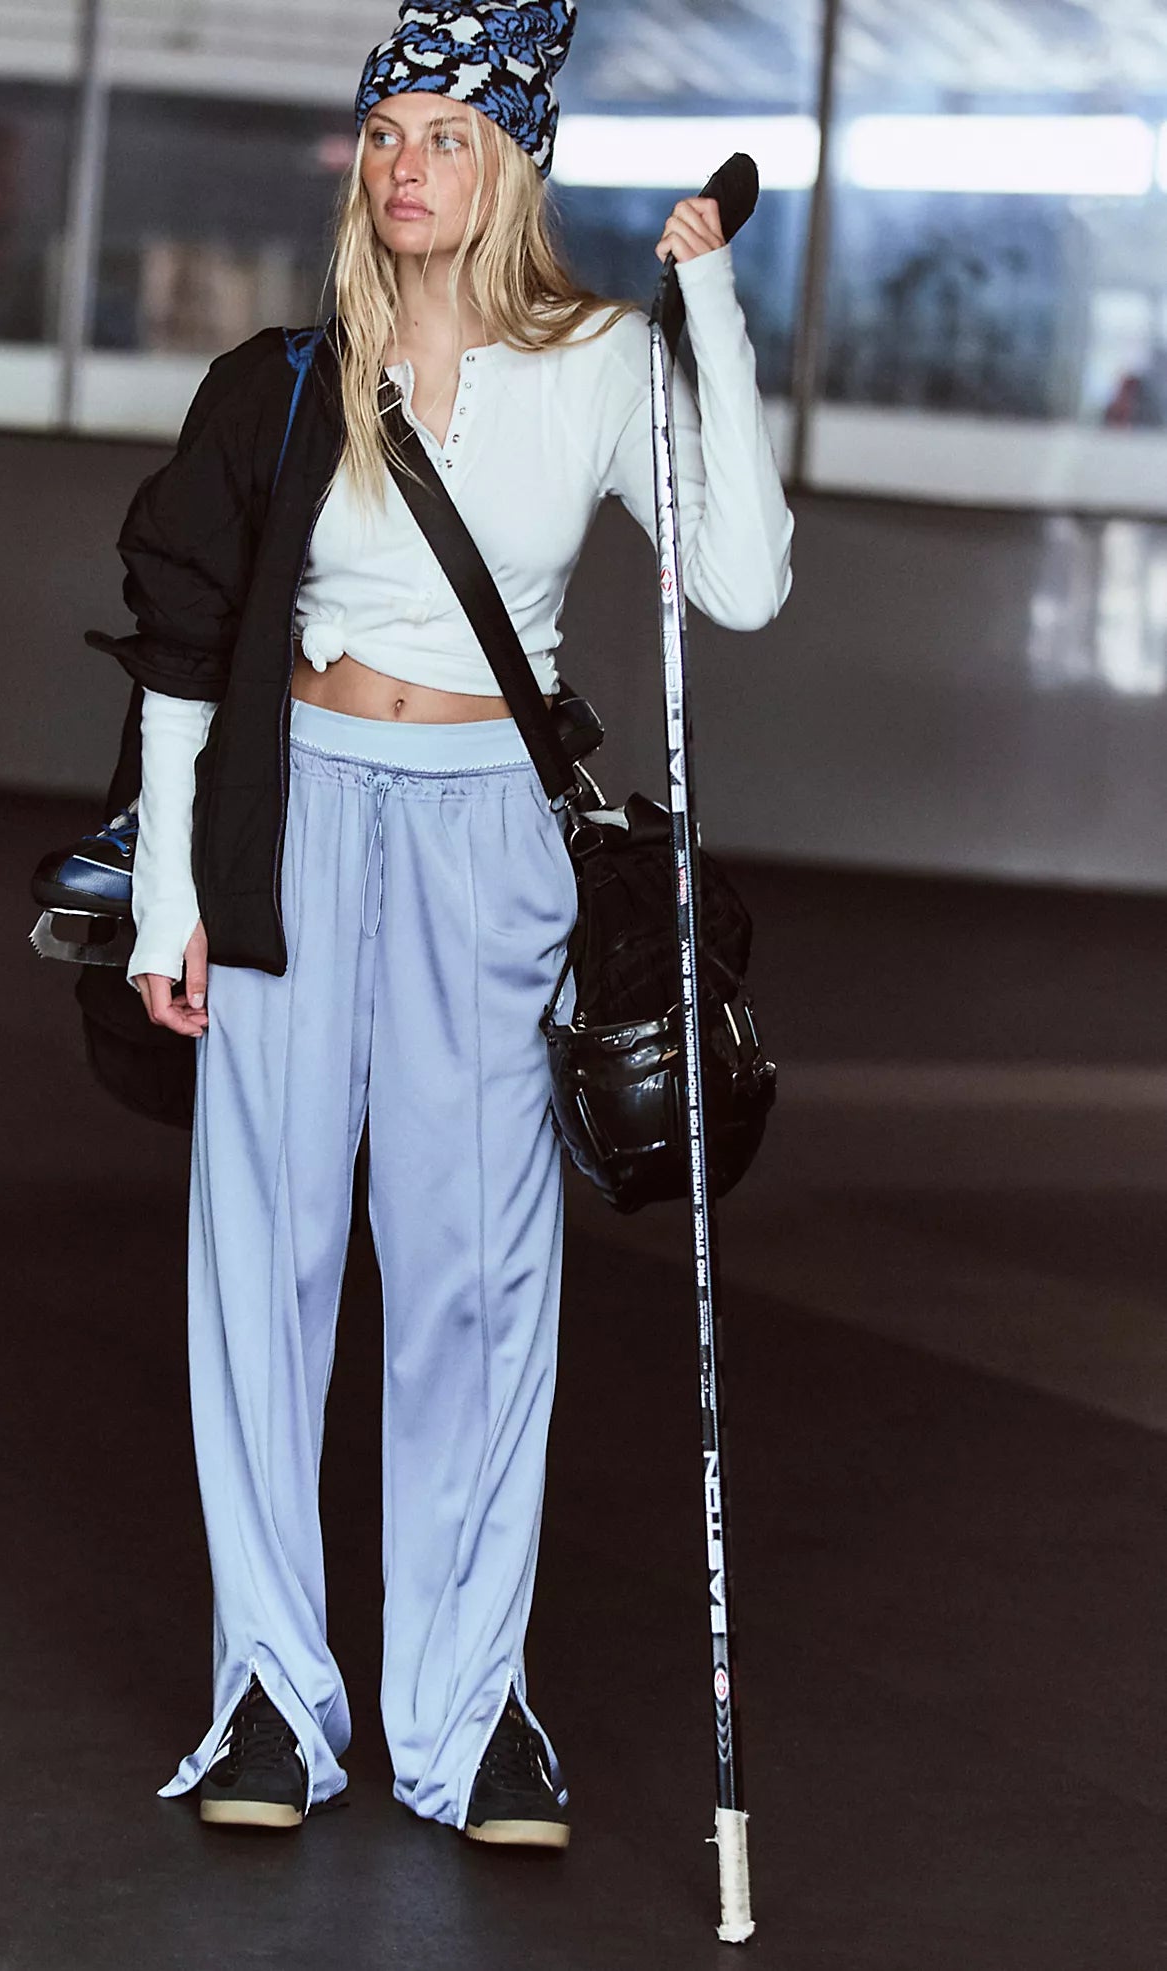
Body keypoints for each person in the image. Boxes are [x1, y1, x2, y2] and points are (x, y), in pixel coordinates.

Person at [105, 0, 793, 1850]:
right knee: (260, 1264)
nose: (409, 166)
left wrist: (708, 304)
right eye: (388, 133)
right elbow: (182, 651)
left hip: (491, 833)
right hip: (292, 818)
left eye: (450, 136)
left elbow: (739, 581)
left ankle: (467, 1714)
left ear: (513, 168)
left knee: (475, 1284)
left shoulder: (602, 359)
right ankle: (270, 1697)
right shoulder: (285, 381)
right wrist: (170, 894)